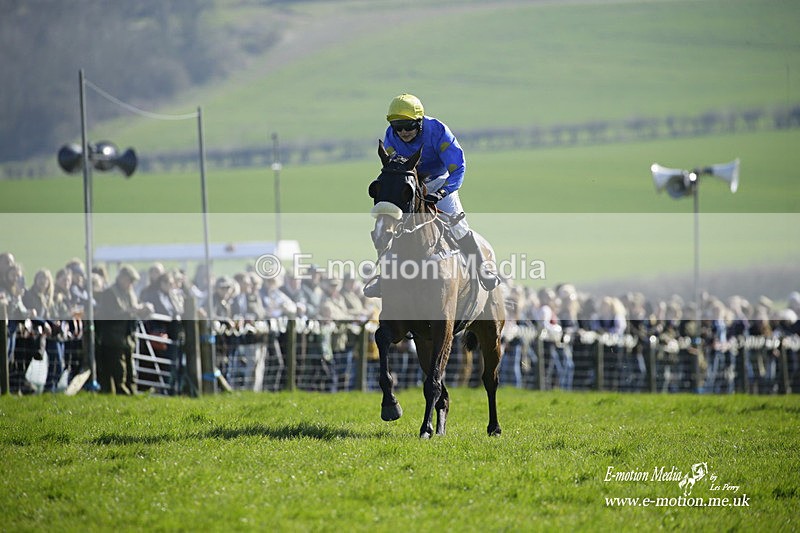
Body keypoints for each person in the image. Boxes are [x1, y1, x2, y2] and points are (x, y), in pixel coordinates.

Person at [364, 93, 498, 297]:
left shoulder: (438, 132)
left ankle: (482, 269)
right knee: (390, 225)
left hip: (439, 181)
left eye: (408, 126)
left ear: (419, 122)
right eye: (397, 126)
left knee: (457, 224)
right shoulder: (391, 136)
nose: (402, 132)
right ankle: (385, 277)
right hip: (410, 184)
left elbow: (459, 168)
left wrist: (443, 191)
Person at [95, 264, 152, 394]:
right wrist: (129, 311)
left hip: (127, 337)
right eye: (129, 280)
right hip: (113, 338)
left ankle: (131, 391)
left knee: (130, 367)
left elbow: (133, 311)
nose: (131, 284)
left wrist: (143, 310)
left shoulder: (130, 293)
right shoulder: (109, 293)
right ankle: (121, 393)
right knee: (119, 369)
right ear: (121, 278)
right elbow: (109, 314)